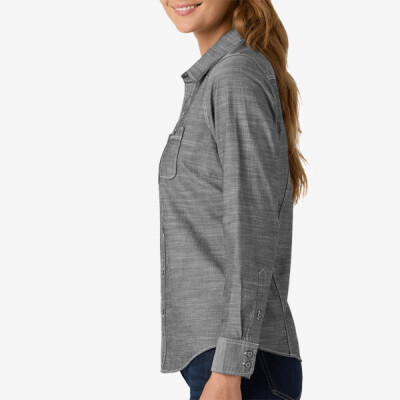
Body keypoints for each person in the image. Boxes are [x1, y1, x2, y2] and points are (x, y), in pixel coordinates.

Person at [158, 1, 308, 399]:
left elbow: (250, 230)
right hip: (225, 363)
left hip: (240, 369)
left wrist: (228, 370)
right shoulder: (219, 77)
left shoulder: (235, 77)